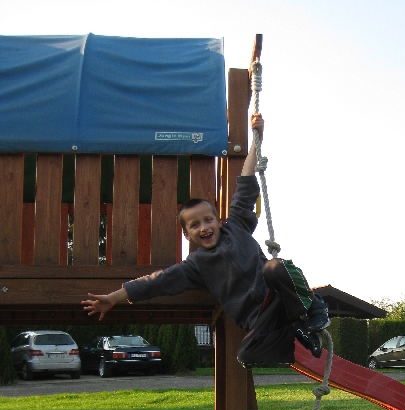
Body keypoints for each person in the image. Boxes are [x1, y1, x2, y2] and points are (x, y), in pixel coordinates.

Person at [81, 113, 329, 365]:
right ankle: (295, 336)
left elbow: (244, 186)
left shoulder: (237, 226)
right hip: (261, 320)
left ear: (219, 221)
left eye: (208, 220)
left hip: (276, 297)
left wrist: (257, 141)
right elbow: (155, 282)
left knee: (275, 267)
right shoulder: (196, 265)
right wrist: (113, 298)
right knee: (246, 355)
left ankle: (314, 309)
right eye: (195, 225)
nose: (204, 228)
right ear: (186, 234)